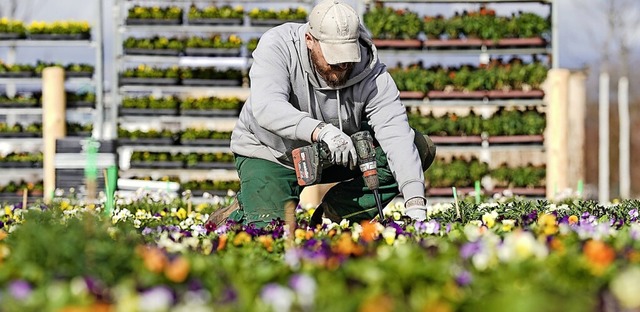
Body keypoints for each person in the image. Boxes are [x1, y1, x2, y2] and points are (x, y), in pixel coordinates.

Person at [208, 0, 436, 228]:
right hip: (272, 154)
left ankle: (336, 214)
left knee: (418, 145)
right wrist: (321, 130)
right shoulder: (277, 45)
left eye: (348, 57)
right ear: (310, 40)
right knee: (268, 231)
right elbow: (267, 106)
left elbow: (396, 135)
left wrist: (415, 203)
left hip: (338, 153)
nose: (342, 65)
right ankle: (243, 209)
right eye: (333, 58)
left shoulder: (370, 71)